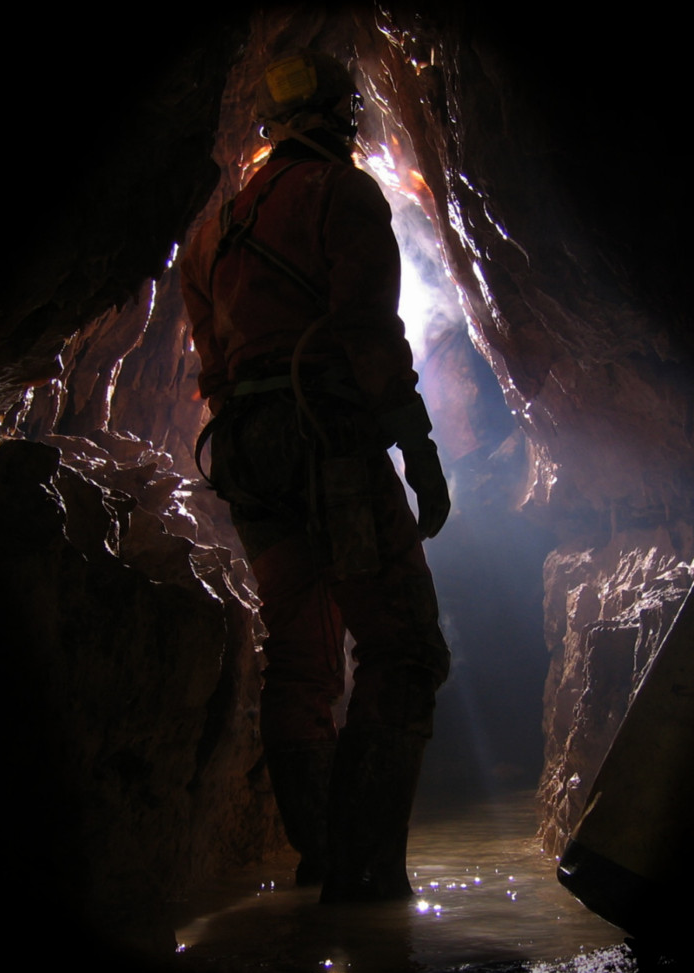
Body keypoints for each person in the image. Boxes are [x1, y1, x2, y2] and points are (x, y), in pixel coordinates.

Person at [180, 50, 450, 902]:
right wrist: (416, 446)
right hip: (324, 436)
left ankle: (321, 861)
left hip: (249, 454)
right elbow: (368, 332)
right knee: (403, 647)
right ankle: (366, 876)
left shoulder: (212, 233)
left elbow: (215, 369)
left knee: (298, 663)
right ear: (341, 114)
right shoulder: (341, 193)